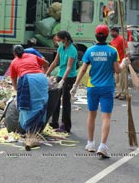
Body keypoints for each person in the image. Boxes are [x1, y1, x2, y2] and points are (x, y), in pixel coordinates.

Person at [70, 24, 130, 158]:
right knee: (106, 117)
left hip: (92, 87)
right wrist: (124, 63)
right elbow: (117, 70)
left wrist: (75, 85)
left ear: (96, 35)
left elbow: (83, 69)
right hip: (107, 87)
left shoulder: (90, 51)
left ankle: (90, 143)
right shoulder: (112, 51)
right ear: (107, 35)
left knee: (91, 115)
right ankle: (102, 146)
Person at [9, 45, 49, 133]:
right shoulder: (32, 56)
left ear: (14, 53)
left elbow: (14, 79)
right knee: (41, 103)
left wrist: (16, 90)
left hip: (29, 80)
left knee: (28, 105)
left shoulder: (14, 61)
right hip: (41, 78)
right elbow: (46, 63)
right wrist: (44, 74)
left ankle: (30, 131)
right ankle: (38, 130)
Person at [46, 31, 78, 133]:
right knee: (55, 98)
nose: (57, 42)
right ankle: (54, 122)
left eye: (59, 40)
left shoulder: (72, 50)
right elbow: (55, 62)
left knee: (65, 100)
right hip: (60, 74)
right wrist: (46, 73)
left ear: (64, 39)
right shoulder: (60, 48)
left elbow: (69, 67)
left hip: (69, 77)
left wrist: (63, 80)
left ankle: (65, 125)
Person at [110, 27, 129, 100]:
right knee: (117, 79)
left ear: (116, 32)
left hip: (122, 62)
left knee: (123, 79)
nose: (111, 34)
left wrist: (127, 59)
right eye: (111, 32)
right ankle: (119, 92)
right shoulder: (112, 41)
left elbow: (126, 50)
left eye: (112, 32)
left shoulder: (121, 39)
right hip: (116, 63)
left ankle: (124, 94)